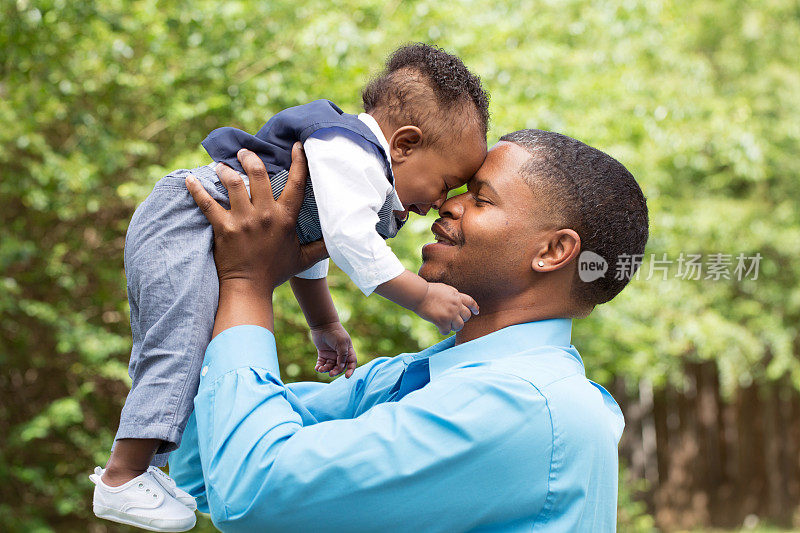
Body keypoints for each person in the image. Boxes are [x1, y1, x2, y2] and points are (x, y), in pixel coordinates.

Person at [90, 43, 489, 531]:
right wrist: (423, 296)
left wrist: (324, 321)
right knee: (177, 345)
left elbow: (305, 248)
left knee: (190, 347)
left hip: (200, 230)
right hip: (187, 220)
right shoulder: (355, 157)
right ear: (404, 145)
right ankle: (121, 476)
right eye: (446, 182)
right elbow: (346, 239)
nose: (442, 202)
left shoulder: (355, 167)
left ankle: (147, 466)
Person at [170, 127, 650, 532]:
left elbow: (250, 490)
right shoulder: (409, 378)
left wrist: (247, 282)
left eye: (481, 198)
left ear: (552, 251)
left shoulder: (520, 406)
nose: (448, 205)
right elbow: (200, 470)